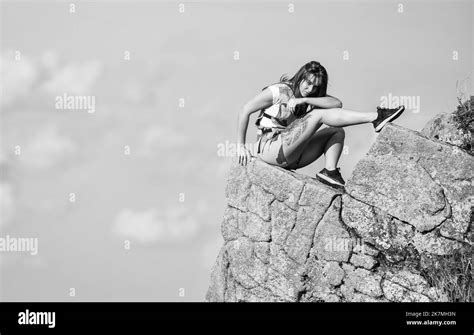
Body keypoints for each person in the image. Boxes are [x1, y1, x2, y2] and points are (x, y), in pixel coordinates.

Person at [236, 60, 405, 187]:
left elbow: (337, 104)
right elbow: (245, 110)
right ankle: (377, 117)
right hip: (270, 149)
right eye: (307, 83)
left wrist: (305, 99)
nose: (309, 88)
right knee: (317, 116)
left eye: (314, 87)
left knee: (336, 132)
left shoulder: (308, 98)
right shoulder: (278, 91)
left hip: (295, 157)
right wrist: (241, 146)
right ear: (301, 77)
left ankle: (330, 172)